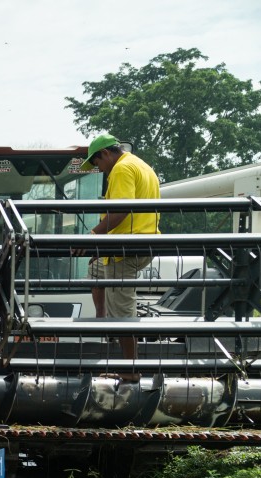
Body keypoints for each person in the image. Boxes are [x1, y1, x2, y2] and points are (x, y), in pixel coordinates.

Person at [80, 133, 161, 381]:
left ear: (105, 154)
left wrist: (92, 236)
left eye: (96, 164)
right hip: (137, 241)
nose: (99, 169)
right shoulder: (140, 164)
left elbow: (121, 210)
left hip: (126, 249)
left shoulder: (121, 169)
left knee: (124, 313)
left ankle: (130, 370)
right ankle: (104, 322)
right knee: (94, 272)